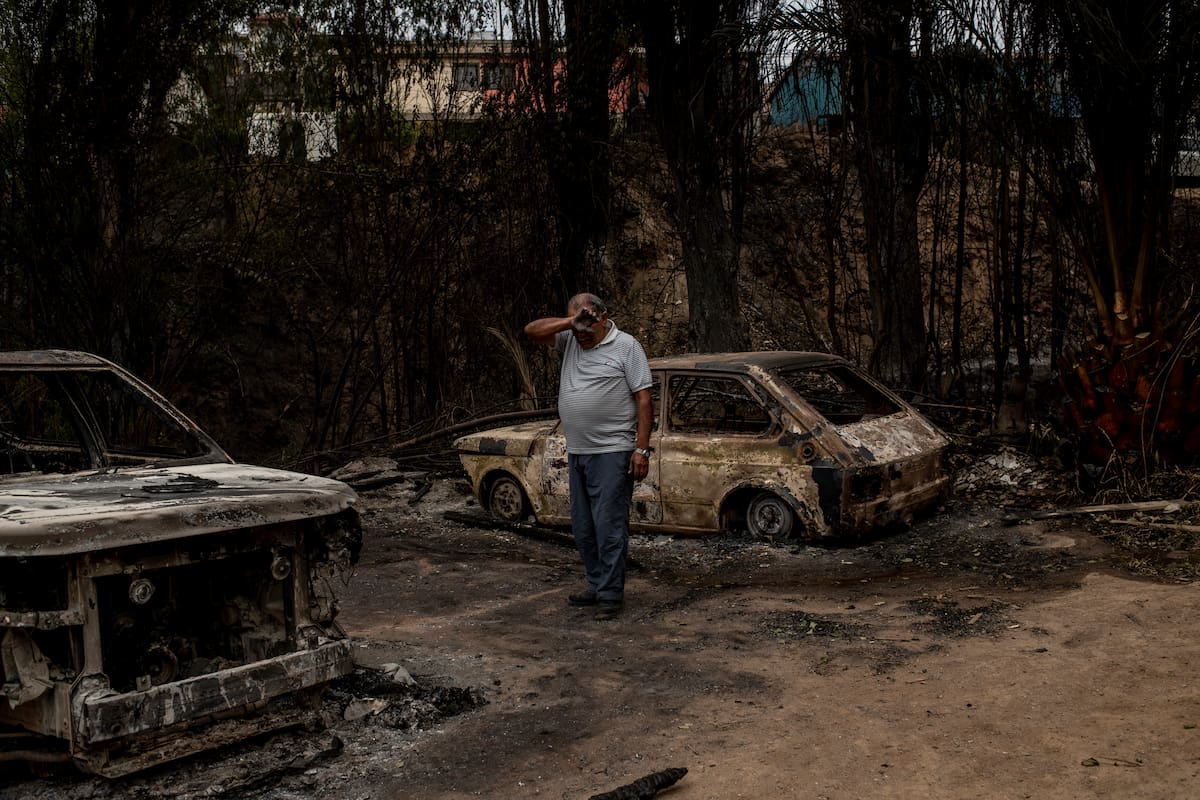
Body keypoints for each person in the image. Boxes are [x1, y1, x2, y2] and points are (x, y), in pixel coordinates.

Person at [525, 293, 653, 621]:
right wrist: (572, 322)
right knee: (583, 527)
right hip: (579, 450)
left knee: (608, 524)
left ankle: (611, 593)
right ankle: (597, 584)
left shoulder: (627, 346)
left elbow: (644, 400)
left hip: (612, 451)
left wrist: (641, 450)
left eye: (588, 326)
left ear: (605, 318)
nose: (582, 334)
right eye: (577, 327)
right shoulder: (569, 338)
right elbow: (531, 330)